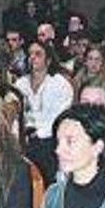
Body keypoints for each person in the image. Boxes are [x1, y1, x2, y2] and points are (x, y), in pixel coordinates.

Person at [15, 40, 74, 182]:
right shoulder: (20, 83)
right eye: (30, 54)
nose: (32, 58)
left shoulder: (60, 84)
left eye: (38, 54)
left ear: (48, 60)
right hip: (25, 138)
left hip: (50, 140)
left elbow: (61, 117)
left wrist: (39, 133)